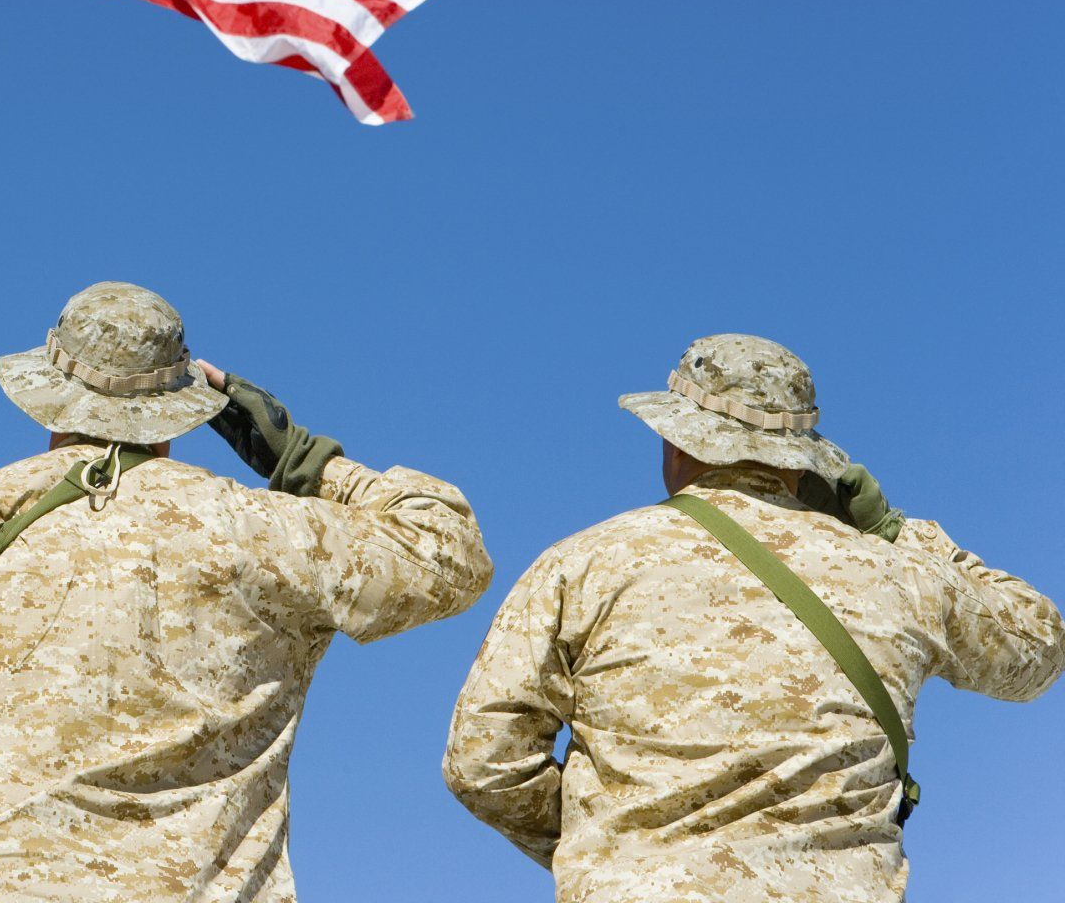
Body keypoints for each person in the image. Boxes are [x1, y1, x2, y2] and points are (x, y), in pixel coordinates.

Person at [0, 281, 492, 902]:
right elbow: (449, 555)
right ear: (181, 407)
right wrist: (300, 456)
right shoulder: (265, 531)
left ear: (48, 398)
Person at [443, 332, 1065, 903]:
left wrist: (615, 850)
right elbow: (1038, 648)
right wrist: (895, 531)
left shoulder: (581, 565)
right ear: (802, 458)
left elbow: (481, 760)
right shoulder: (894, 575)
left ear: (676, 438)